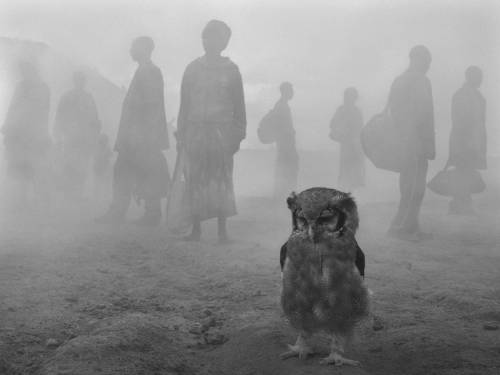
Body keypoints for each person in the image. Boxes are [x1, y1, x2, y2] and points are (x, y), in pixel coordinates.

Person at [177, 20, 246, 242]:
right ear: (203, 39)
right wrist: (181, 133)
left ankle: (222, 231)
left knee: (221, 180)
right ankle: (195, 229)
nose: (211, 41)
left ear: (224, 42)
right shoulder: (192, 69)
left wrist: (237, 135)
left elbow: (239, 108)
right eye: (207, 36)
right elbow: (184, 105)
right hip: (195, 131)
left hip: (221, 134)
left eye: (217, 37)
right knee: (195, 178)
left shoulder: (232, 71)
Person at [98, 36, 169, 225]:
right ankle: (126, 211)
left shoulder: (150, 71)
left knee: (137, 171)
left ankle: (146, 213)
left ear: (144, 48)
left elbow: (152, 106)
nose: (130, 50)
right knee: (129, 170)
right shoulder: (143, 71)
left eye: (133, 46)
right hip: (135, 135)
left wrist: (144, 136)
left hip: (141, 137)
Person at [387, 45, 435, 241]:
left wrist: (429, 143)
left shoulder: (424, 81)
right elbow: (396, 113)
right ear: (414, 59)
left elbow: (428, 115)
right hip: (409, 142)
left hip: (421, 142)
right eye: (424, 60)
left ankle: (412, 225)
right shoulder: (403, 81)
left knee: (418, 186)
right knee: (410, 186)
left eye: (428, 61)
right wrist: (408, 136)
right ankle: (397, 227)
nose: (427, 65)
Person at [1, 60, 51, 208]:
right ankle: (23, 199)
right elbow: (13, 107)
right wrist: (7, 125)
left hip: (33, 133)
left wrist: (43, 131)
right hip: (21, 133)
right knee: (22, 166)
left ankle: (38, 199)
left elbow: (44, 111)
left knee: (35, 166)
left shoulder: (42, 88)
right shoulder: (22, 86)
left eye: (24, 70)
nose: (23, 74)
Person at [54, 71, 101, 199]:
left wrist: (95, 137)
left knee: (82, 166)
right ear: (75, 81)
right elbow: (59, 116)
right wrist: (58, 135)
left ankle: (77, 193)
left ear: (83, 82)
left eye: (82, 80)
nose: (80, 82)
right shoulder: (67, 97)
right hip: (71, 138)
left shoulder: (88, 98)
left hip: (84, 139)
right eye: (78, 80)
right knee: (70, 165)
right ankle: (69, 193)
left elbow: (95, 119)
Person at [447, 66, 486, 215]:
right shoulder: (463, 95)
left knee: (466, 171)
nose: (481, 80)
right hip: (464, 142)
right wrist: (468, 141)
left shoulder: (476, 96)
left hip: (472, 142)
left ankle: (461, 203)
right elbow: (459, 121)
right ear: (470, 77)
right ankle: (460, 204)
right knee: (463, 171)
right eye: (478, 76)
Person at [329, 87, 365, 191]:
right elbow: (332, 124)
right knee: (346, 171)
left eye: (351, 97)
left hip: (354, 145)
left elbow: (360, 129)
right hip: (348, 145)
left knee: (352, 173)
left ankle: (348, 195)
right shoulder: (343, 110)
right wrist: (342, 132)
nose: (349, 99)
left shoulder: (354, 111)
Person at [269, 82, 299, 200]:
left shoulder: (281, 105)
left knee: (284, 168)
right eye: (290, 90)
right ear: (285, 92)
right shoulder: (281, 106)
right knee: (287, 169)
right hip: (285, 144)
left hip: (284, 144)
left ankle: (283, 194)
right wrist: (290, 133)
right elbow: (283, 127)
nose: (292, 92)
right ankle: (284, 195)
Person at [93, 133, 113, 199]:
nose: (104, 142)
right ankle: (97, 197)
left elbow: (110, 156)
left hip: (104, 169)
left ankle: (103, 198)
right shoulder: (98, 148)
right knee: (98, 185)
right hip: (100, 169)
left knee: (103, 185)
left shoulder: (106, 148)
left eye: (105, 140)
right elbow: (96, 159)